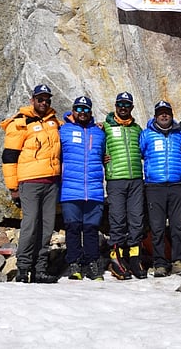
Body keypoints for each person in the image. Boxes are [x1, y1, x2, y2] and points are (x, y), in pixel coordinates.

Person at [0, 84, 62, 283]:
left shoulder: (53, 122)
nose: (44, 103)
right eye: (40, 99)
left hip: (52, 182)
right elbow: (9, 157)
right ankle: (24, 268)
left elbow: (69, 126)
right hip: (30, 182)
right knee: (30, 225)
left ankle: (40, 268)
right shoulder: (19, 123)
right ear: (32, 100)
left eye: (47, 100)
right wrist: (13, 188)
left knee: (47, 226)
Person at [59, 96, 107, 281]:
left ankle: (92, 264)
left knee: (91, 229)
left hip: (94, 189)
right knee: (72, 228)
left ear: (91, 111)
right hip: (71, 188)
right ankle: (74, 264)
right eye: (78, 109)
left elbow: (105, 153)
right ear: (72, 110)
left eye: (86, 109)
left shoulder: (100, 132)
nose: (82, 112)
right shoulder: (63, 130)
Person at [139, 100, 181, 277]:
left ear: (171, 115)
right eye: (160, 113)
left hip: (176, 185)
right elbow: (141, 153)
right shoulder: (146, 135)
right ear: (155, 116)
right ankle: (159, 263)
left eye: (167, 112)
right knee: (157, 227)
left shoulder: (179, 135)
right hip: (154, 186)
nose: (164, 115)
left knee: (177, 226)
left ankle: (177, 260)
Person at [103, 91, 146, 280]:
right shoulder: (105, 127)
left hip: (136, 178)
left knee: (137, 219)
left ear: (132, 108)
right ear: (115, 106)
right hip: (116, 179)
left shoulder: (137, 129)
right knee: (118, 219)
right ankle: (116, 258)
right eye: (120, 104)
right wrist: (101, 158)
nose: (123, 108)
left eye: (127, 105)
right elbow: (95, 147)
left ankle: (135, 257)